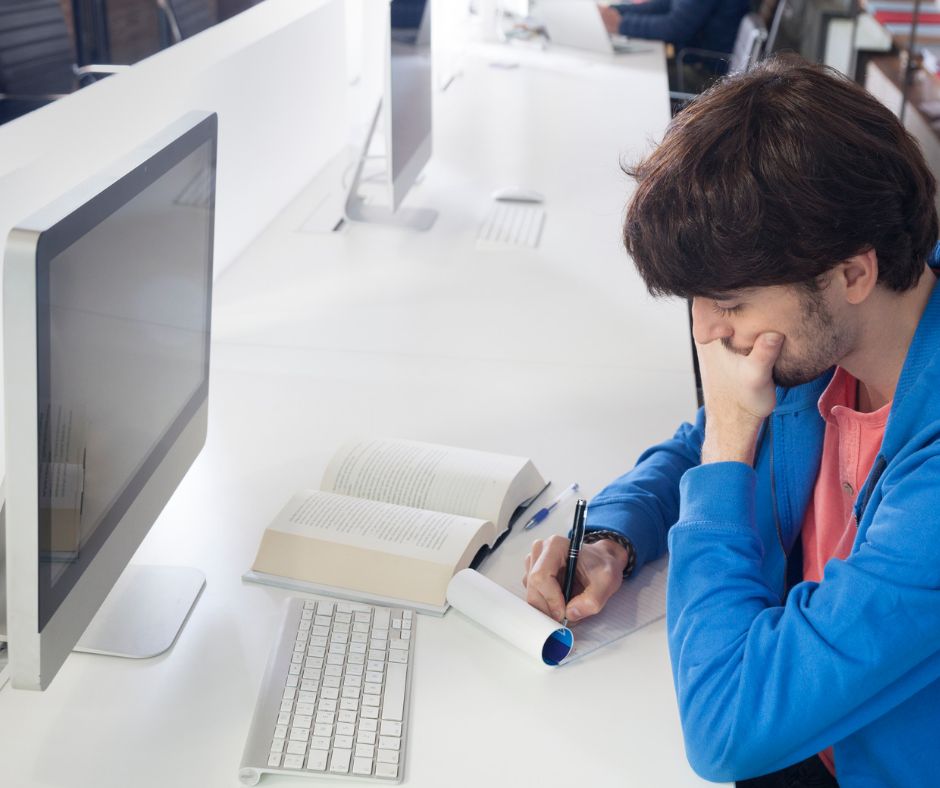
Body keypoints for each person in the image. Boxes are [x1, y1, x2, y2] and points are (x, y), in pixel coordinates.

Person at [523, 57, 940, 787]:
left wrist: (727, 443)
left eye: (731, 303)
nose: (707, 334)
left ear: (852, 273)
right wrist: (613, 537)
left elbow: (726, 732)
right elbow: (700, 439)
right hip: (805, 724)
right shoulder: (831, 347)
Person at [598, 0, 749, 57]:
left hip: (706, 75)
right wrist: (614, 11)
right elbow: (663, 5)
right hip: (691, 60)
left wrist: (621, 24)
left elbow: (675, 28)